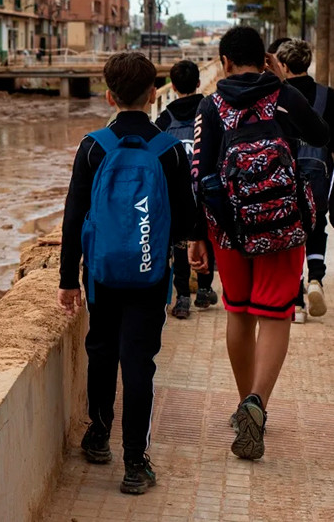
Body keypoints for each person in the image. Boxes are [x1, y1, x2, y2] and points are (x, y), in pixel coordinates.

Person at [189, 26, 330, 460]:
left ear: (224, 62)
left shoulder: (210, 105)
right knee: (274, 314)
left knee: (239, 312)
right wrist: (284, 86)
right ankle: (258, 403)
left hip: (230, 228)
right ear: (266, 58)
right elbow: (321, 136)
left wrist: (199, 236)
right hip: (284, 224)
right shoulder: (284, 97)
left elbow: (200, 173)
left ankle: (241, 404)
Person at [58, 52, 196, 494]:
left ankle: (98, 436)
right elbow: (185, 220)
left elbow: (74, 216)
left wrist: (66, 279)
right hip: (149, 275)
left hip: (100, 274)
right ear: (155, 94)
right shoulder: (170, 150)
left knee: (101, 350)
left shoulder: (93, 146)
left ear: (109, 95)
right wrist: (187, 256)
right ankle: (136, 464)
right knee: (139, 363)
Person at [275, 39, 334, 322]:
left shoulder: (278, 96)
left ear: (283, 66)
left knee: (290, 234)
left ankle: (296, 301)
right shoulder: (328, 96)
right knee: (317, 225)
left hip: (285, 177)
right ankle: (316, 280)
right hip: (319, 175)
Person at [155, 60, 218, 319]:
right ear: (198, 82)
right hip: (206, 188)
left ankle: (181, 297)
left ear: (173, 85)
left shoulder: (164, 117)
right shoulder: (210, 110)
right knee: (207, 236)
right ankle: (204, 290)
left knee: (180, 241)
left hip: (176, 193)